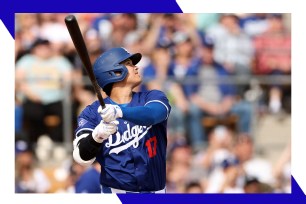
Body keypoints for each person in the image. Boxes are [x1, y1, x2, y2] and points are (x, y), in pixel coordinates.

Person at [72, 47, 171, 193]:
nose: (136, 67)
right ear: (115, 72)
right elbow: (81, 157)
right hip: (115, 195)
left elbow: (153, 114)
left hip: (155, 194)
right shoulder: (92, 113)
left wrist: (119, 111)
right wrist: (97, 136)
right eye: (129, 64)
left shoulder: (152, 97)